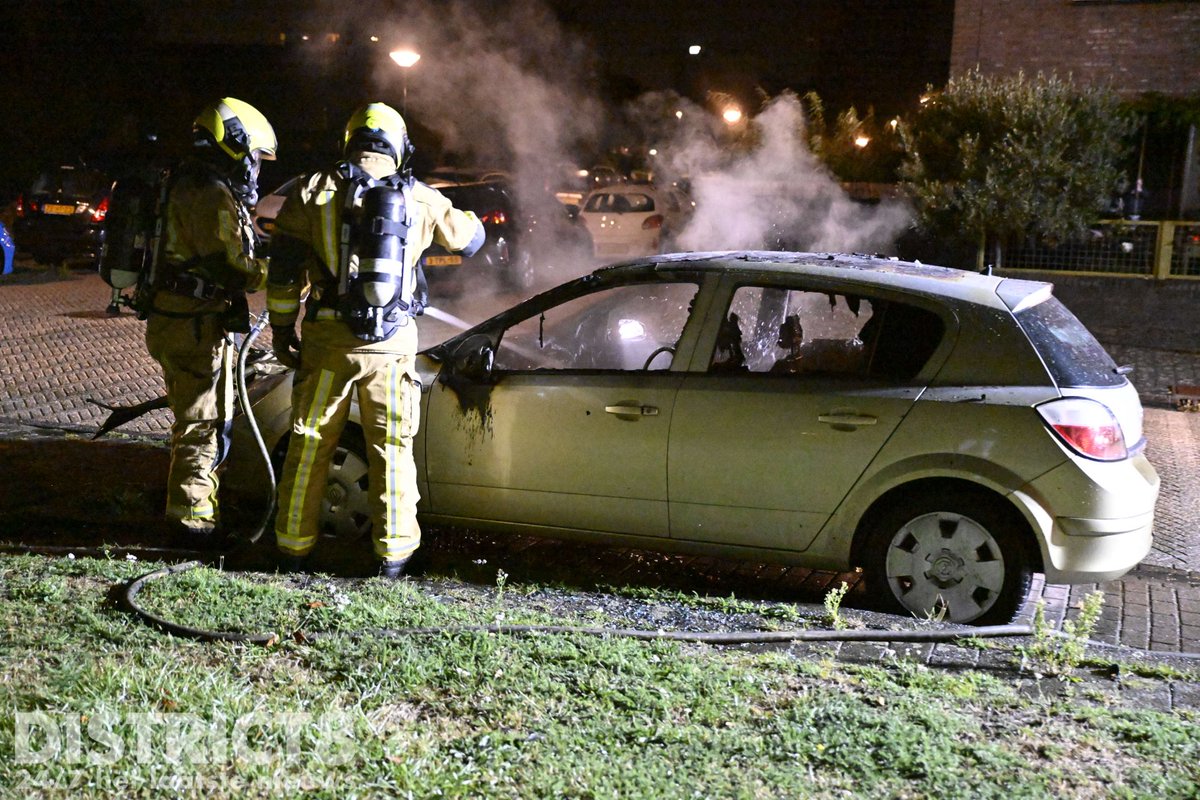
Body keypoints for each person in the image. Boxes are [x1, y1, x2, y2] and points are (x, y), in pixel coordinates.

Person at [267, 102, 484, 577]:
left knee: (309, 441)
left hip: (326, 342)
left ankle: (292, 546)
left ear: (349, 142)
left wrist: (283, 328)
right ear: (400, 146)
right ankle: (393, 556)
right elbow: (469, 240)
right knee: (391, 447)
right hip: (391, 347)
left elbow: (282, 273)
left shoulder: (311, 190)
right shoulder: (421, 197)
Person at [144, 97, 277, 547]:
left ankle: (196, 504)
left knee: (196, 417)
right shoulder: (207, 191)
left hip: (179, 318)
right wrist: (279, 275)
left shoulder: (185, 180)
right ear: (236, 144)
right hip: (193, 324)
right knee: (204, 419)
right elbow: (230, 265)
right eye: (256, 157)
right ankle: (191, 521)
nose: (256, 168)